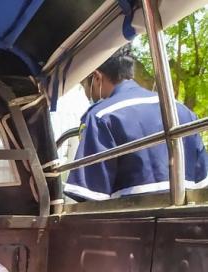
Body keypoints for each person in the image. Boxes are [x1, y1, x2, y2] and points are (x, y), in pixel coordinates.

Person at [65, 47, 208, 201]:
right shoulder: (182, 111)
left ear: (97, 77)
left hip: (128, 221)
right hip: (187, 220)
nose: (87, 93)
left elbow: (90, 197)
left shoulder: (101, 116)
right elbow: (202, 183)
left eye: (85, 86)